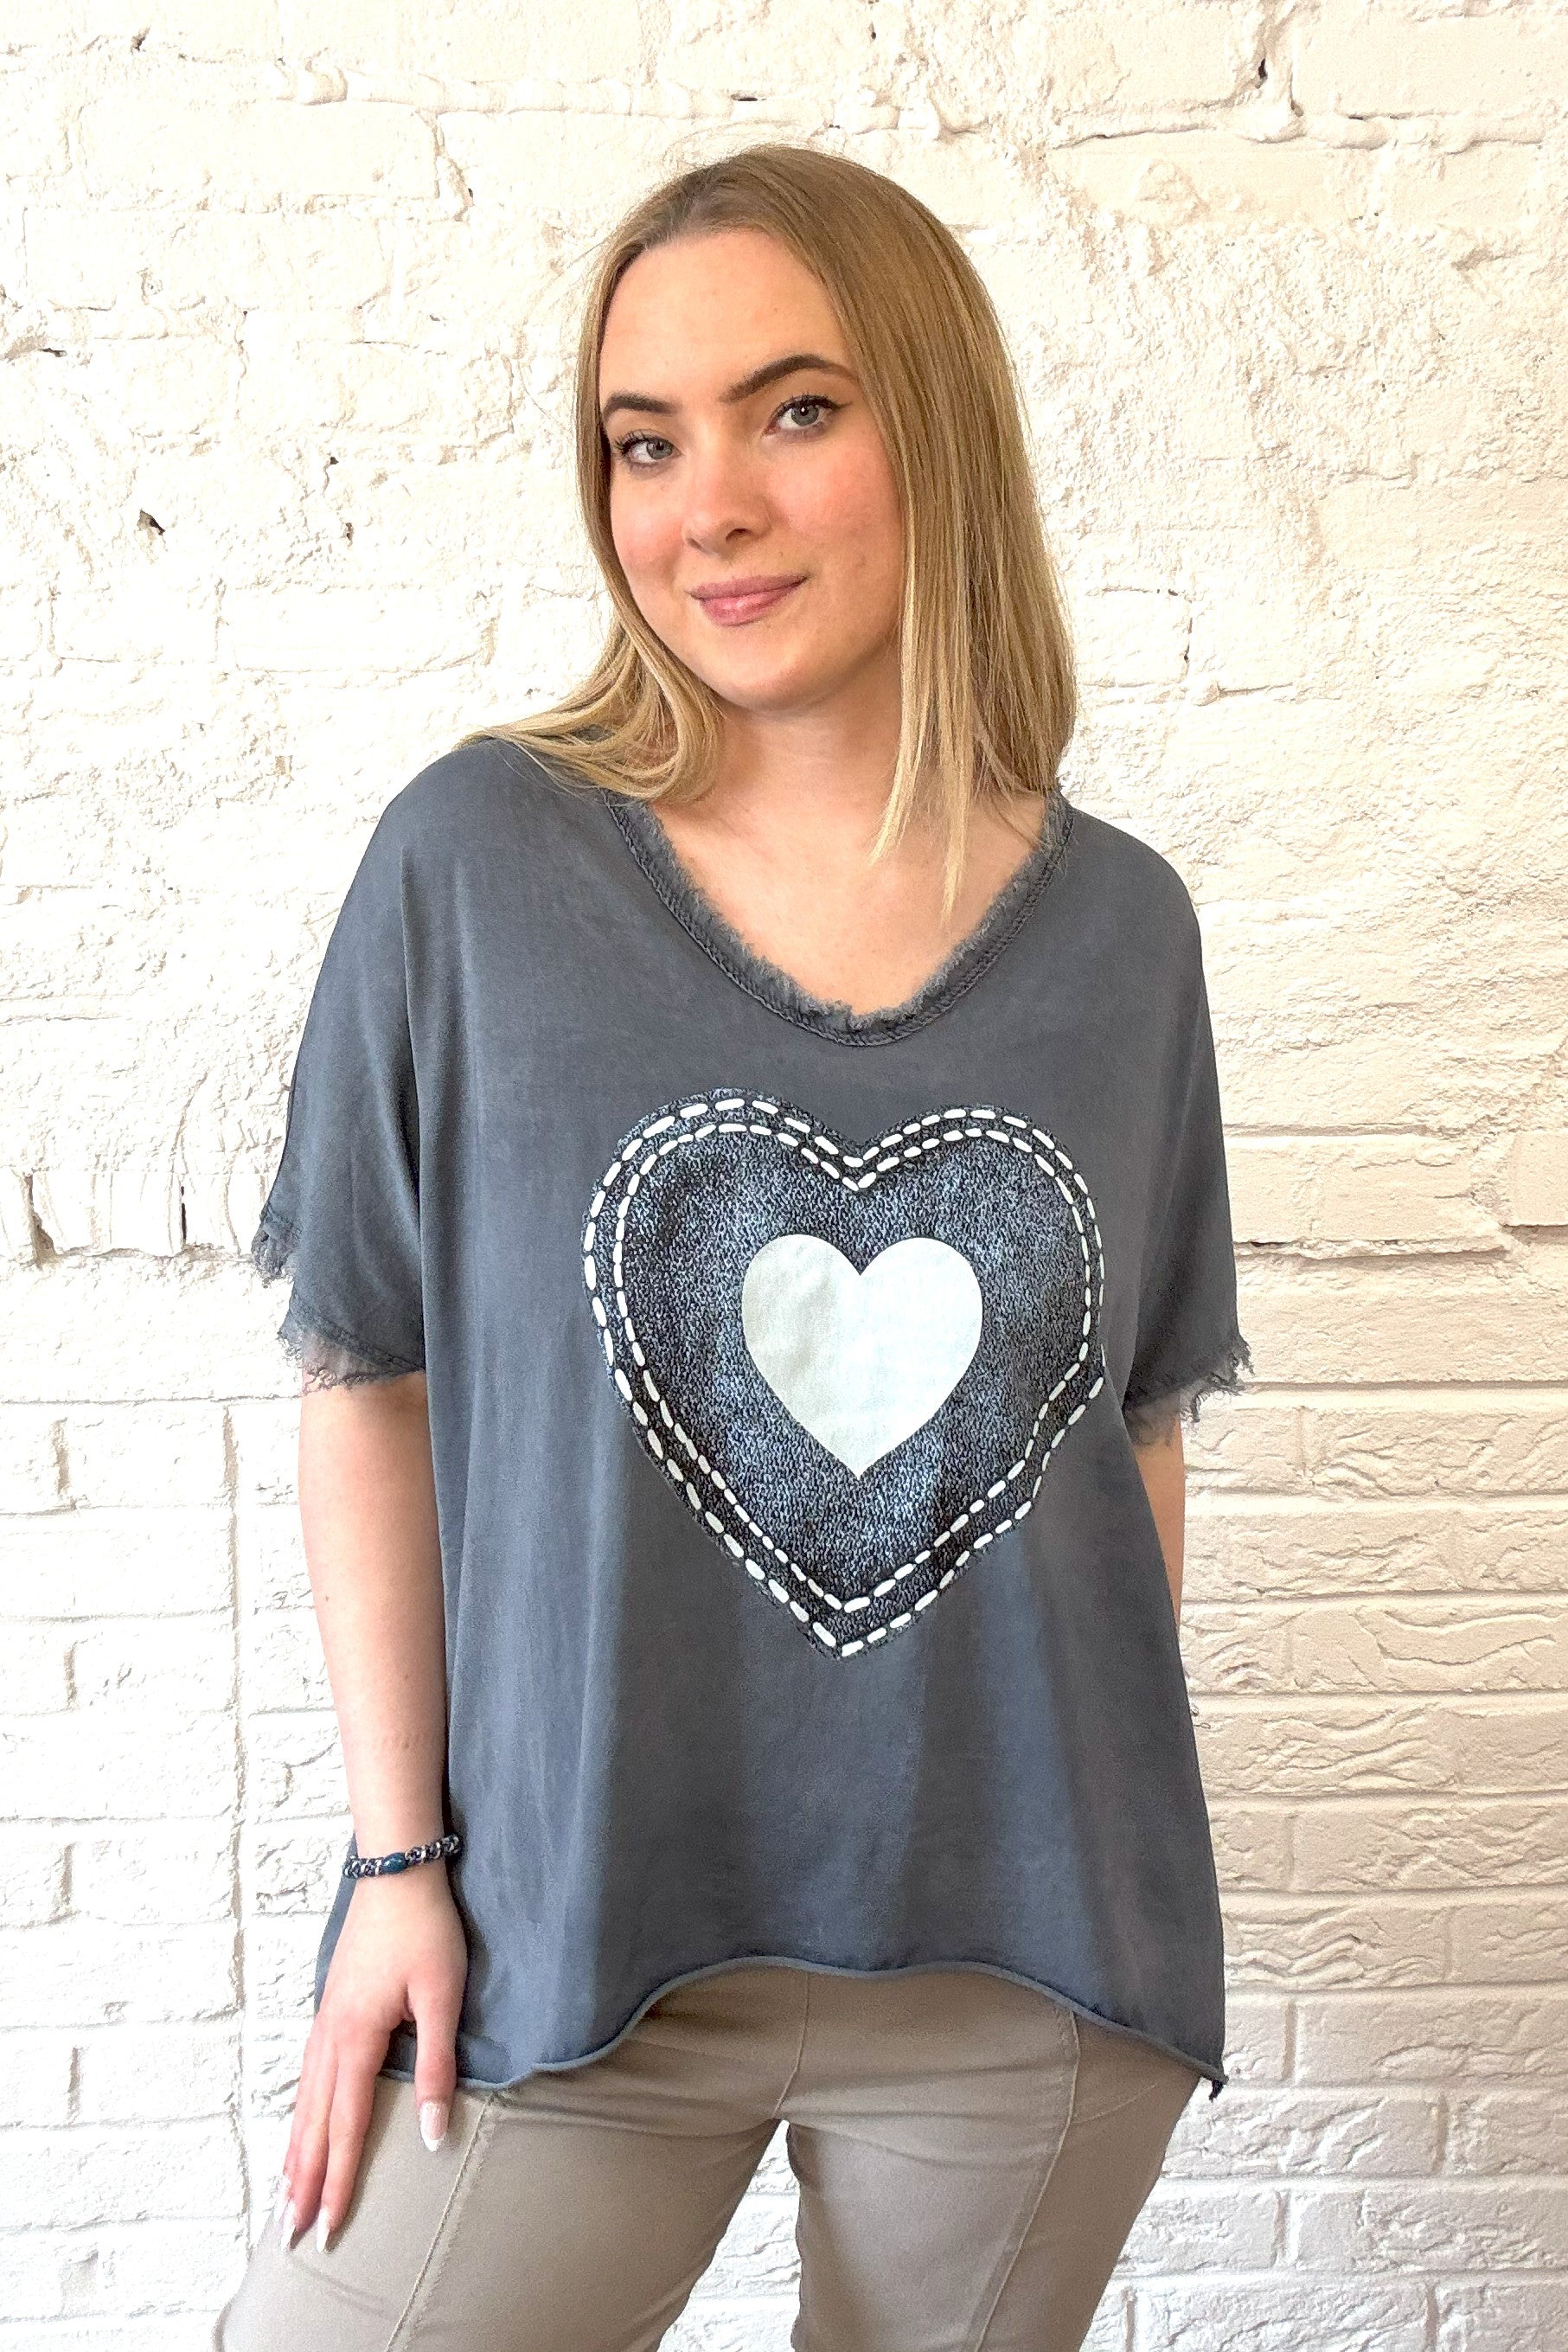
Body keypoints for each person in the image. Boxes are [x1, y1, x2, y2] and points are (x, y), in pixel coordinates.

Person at [214, 142, 1251, 2352]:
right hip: (564, 1946)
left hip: (1022, 1988)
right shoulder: (478, 863)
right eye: (644, 441)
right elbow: (366, 1373)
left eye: (794, 409)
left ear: (934, 431)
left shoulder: (1121, 931)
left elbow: (1131, 1434)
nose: (710, 509)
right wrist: (399, 1865)